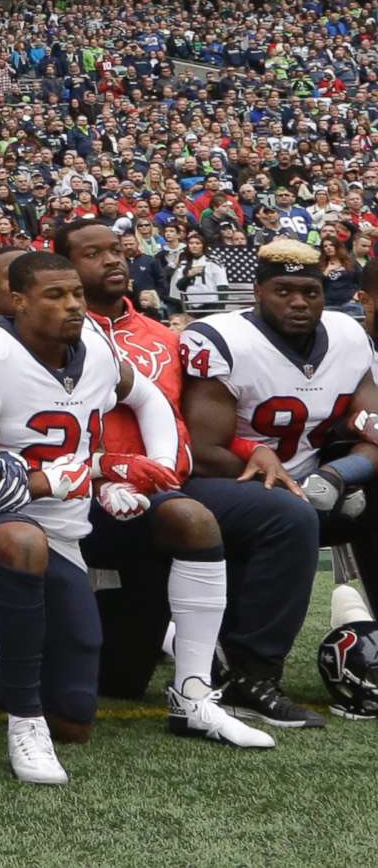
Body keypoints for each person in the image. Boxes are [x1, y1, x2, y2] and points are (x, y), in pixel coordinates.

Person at [0, 253, 261, 791]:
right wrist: (53, 482)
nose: (73, 305)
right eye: (55, 296)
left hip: (68, 532)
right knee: (25, 540)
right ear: (16, 301)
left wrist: (138, 473)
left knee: (76, 718)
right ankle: (23, 723)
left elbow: (147, 397)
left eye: (76, 294)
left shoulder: (99, 349)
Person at [56, 219, 290, 742]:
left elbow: (192, 417)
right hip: (85, 491)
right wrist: (105, 474)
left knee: (284, 513)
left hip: (168, 486)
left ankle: (248, 670)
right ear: (63, 268)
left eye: (117, 250)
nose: (113, 261)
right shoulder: (48, 338)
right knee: (113, 682)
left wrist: (255, 450)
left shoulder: (164, 337)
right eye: (93, 254)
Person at [180, 238, 378, 727]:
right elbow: (201, 452)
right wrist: (289, 482)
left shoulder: (349, 337)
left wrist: (338, 474)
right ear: (258, 291)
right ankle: (252, 674)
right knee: (287, 515)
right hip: (223, 480)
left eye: (309, 292)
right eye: (283, 290)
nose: (298, 303)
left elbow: (372, 426)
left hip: (311, 478)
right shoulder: (221, 339)